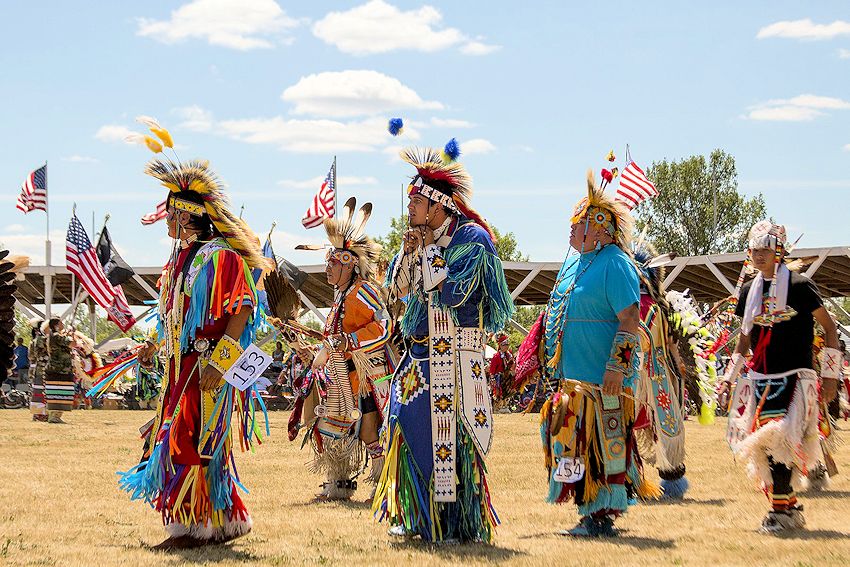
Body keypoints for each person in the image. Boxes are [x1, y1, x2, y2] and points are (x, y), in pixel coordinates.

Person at [117, 121, 273, 549]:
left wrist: (222, 366)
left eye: (170, 211)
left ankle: (191, 527)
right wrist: (156, 346)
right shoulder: (181, 261)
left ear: (187, 214)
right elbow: (175, 317)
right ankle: (225, 521)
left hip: (206, 366)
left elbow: (241, 309)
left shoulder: (218, 258)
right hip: (180, 365)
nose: (165, 218)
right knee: (195, 440)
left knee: (192, 440)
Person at [375, 143, 514, 543]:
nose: (410, 210)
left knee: (449, 437)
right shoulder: (419, 243)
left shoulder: (473, 238)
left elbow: (452, 293)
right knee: (404, 424)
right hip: (419, 355)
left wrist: (427, 253)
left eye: (416, 202)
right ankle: (420, 515)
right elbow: (398, 293)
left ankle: (454, 523)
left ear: (438, 205)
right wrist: (409, 254)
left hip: (454, 357)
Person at [535, 170, 659, 537]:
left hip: (604, 375)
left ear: (600, 228)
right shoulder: (574, 264)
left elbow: (630, 317)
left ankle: (602, 514)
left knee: (605, 443)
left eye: (577, 223)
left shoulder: (616, 263)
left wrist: (617, 367)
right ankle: (589, 509)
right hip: (573, 376)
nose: (570, 229)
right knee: (574, 442)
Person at [721, 220, 841, 534]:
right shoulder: (748, 291)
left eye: (765, 249)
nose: (759, 255)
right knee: (766, 446)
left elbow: (829, 329)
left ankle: (781, 513)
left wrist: (830, 379)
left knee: (783, 441)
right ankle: (788, 509)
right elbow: (744, 339)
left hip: (795, 378)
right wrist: (729, 377)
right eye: (754, 249)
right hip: (761, 378)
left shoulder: (801, 286)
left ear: (779, 252)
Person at [287, 197, 396, 500]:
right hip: (341, 373)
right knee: (334, 427)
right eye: (328, 263)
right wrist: (309, 347)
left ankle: (383, 484)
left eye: (332, 263)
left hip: (368, 373)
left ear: (348, 264)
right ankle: (338, 482)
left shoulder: (362, 291)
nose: (327, 269)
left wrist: (350, 342)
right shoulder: (340, 296)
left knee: (369, 429)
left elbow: (384, 325)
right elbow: (332, 335)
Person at [632, 243, 689, 499]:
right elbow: (672, 346)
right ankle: (671, 479)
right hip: (657, 375)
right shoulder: (660, 306)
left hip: (638, 375)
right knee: (662, 426)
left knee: (626, 426)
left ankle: (630, 481)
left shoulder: (637, 307)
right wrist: (677, 365)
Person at [43, 318, 75, 424]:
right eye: (61, 323)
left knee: (56, 392)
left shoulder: (52, 335)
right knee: (60, 391)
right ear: (56, 325)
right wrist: (72, 334)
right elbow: (72, 344)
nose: (63, 324)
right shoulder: (56, 336)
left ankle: (53, 415)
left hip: (55, 368)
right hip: (60, 369)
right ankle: (55, 416)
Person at [29, 320, 48, 422]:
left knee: (40, 391)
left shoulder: (35, 341)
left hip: (37, 368)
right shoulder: (37, 341)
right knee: (38, 391)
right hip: (38, 368)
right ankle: (39, 414)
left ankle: (41, 413)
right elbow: (32, 356)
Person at [488, 333, 514, 404]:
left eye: (507, 345)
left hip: (506, 376)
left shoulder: (508, 355)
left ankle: (505, 404)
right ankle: (498, 405)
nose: (506, 346)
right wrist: (493, 379)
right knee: (498, 390)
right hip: (498, 377)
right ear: (500, 345)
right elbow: (492, 370)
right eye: (504, 345)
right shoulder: (496, 356)